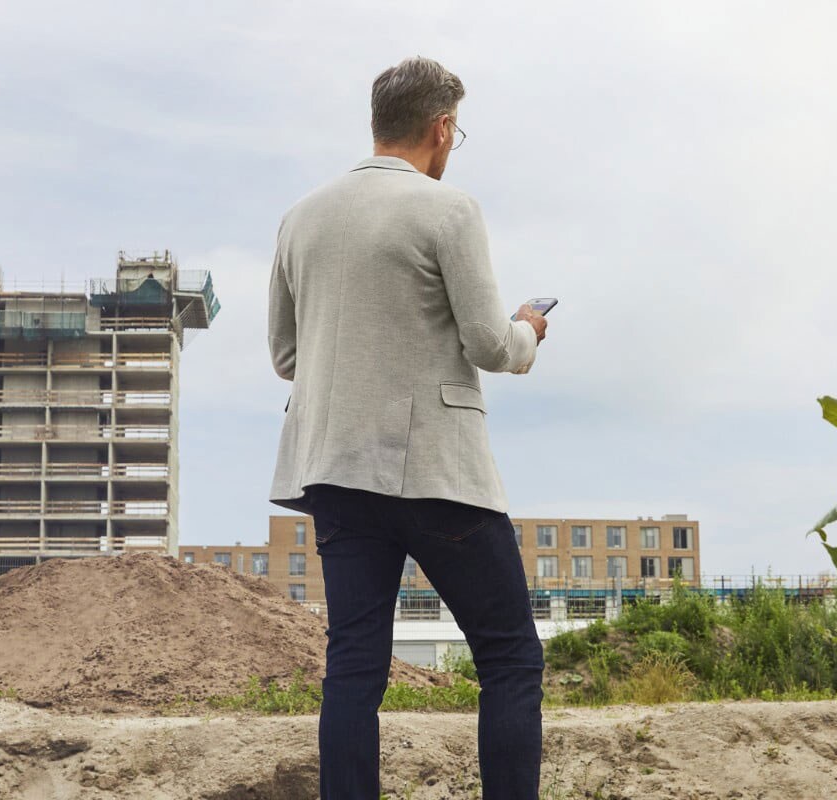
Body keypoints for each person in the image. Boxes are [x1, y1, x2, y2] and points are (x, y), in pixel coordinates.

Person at [267, 56, 552, 800]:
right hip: (435, 472)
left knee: (353, 664)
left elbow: (286, 355)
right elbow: (491, 346)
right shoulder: (447, 210)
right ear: (442, 128)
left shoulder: (300, 218)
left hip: (334, 467)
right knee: (510, 659)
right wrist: (528, 330)